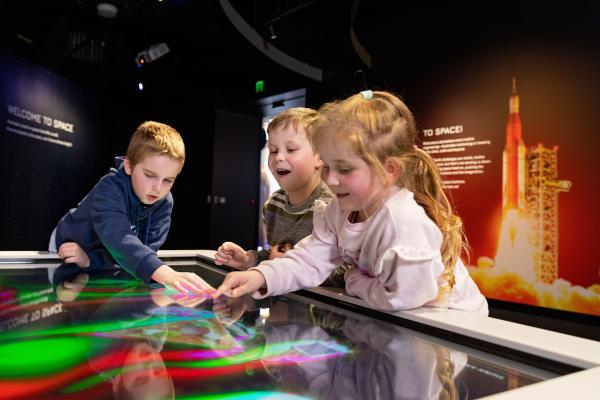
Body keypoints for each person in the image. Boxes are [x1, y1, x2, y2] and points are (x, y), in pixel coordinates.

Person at [213, 90, 488, 314]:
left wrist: (354, 281)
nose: (331, 180)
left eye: (345, 169)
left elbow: (404, 298)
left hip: (457, 326)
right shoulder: (337, 211)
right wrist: (261, 277)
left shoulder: (402, 219)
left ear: (389, 169)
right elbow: (308, 261)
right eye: (328, 167)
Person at [49, 121, 212, 295]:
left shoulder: (165, 202)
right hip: (67, 243)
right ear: (128, 165)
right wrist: (165, 273)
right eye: (150, 175)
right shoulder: (109, 188)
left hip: (102, 258)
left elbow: (143, 251)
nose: (158, 188)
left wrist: (91, 261)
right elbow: (118, 236)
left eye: (168, 180)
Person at [215, 108, 347, 286]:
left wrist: (291, 264)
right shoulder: (273, 205)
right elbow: (274, 255)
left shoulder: (334, 205)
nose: (279, 157)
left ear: (320, 157)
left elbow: (346, 270)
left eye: (291, 149)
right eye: (273, 150)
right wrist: (248, 260)